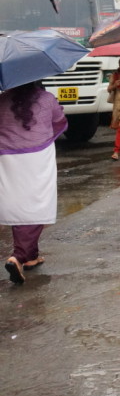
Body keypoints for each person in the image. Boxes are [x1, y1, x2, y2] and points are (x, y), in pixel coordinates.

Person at [0, 82, 66, 285]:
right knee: (37, 203)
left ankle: (31, 256)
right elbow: (60, 122)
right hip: (38, 156)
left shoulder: (3, 99)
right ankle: (18, 257)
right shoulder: (46, 99)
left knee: (18, 203)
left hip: (7, 157)